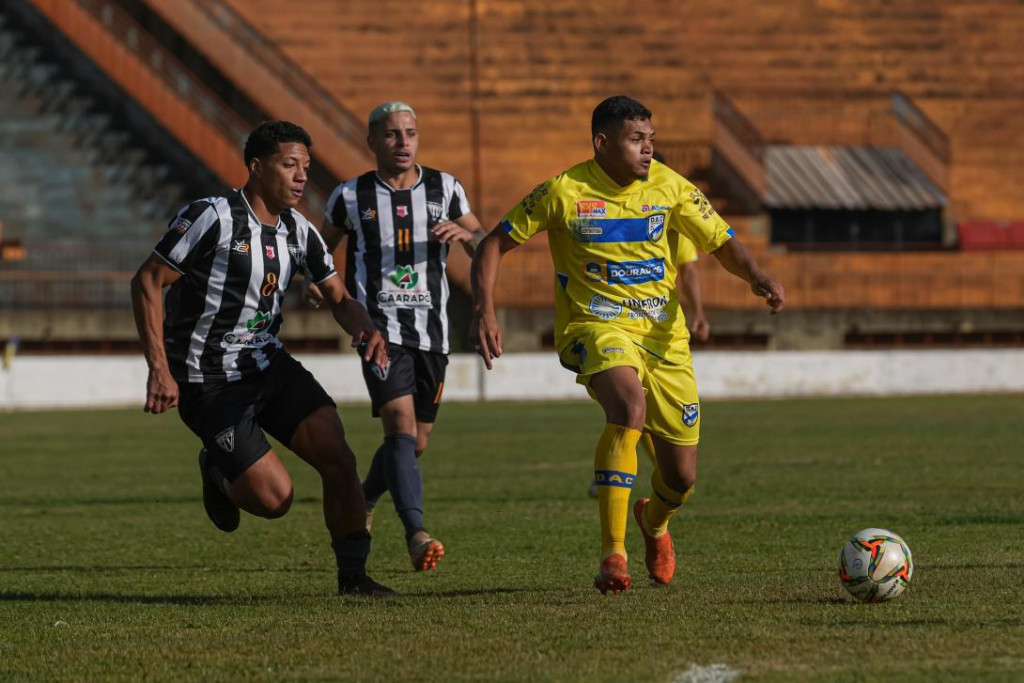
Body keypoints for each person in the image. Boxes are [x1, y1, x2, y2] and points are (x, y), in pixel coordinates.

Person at [470, 96, 784, 594]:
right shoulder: (563, 191)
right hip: (594, 328)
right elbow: (493, 243)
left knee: (681, 478)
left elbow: (721, 240)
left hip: (665, 339)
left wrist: (757, 275)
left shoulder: (669, 186)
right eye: (637, 140)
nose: (648, 150)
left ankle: (653, 522)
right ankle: (612, 555)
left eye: (651, 139)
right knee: (628, 406)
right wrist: (485, 310)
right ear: (602, 143)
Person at [130, 120, 395, 597]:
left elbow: (338, 297)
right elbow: (148, 280)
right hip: (208, 380)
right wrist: (158, 369)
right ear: (256, 166)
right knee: (275, 501)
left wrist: (365, 326)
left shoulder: (300, 232)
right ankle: (216, 467)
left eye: (306, 168)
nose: (300, 177)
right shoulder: (212, 216)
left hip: (268, 366)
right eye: (290, 165)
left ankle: (353, 579)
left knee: (338, 455)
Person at [318, 101, 484, 571]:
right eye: (392, 134)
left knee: (417, 442)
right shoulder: (350, 197)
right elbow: (320, 250)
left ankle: (365, 498)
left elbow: (485, 243)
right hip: (379, 331)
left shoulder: (446, 188)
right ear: (372, 142)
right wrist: (319, 284)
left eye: (410, 133)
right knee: (399, 424)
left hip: (433, 332)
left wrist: (467, 236)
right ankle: (417, 533)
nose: (403, 142)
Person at [586, 150, 710, 498]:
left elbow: (687, 267)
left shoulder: (672, 207)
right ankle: (617, 477)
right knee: (630, 404)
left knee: (646, 416)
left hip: (659, 327)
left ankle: (651, 474)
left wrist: (697, 313)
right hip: (615, 322)